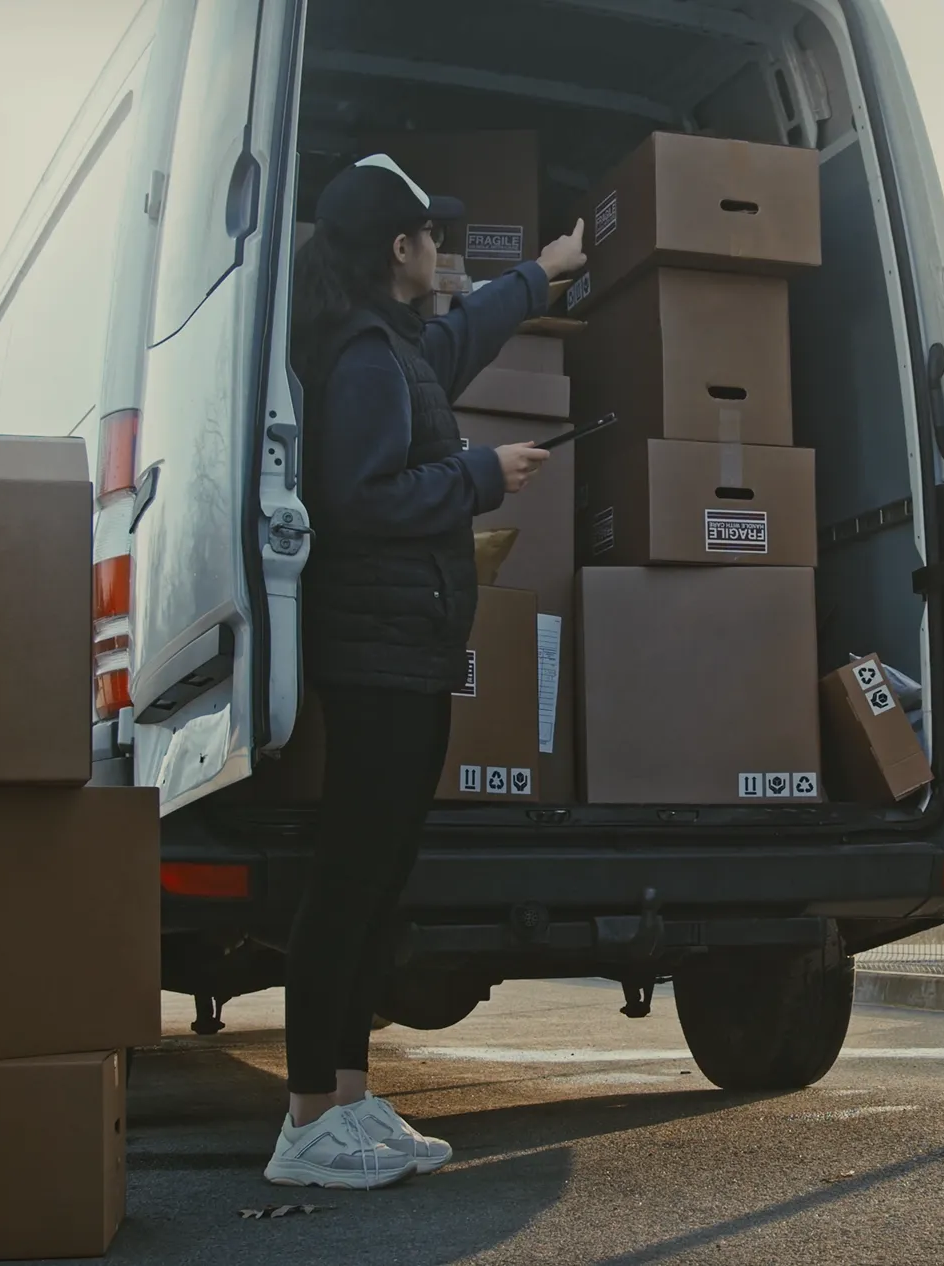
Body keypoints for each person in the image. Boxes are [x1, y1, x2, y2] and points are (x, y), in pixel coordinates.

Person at [266, 154, 587, 1189]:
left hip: (409, 649)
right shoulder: (365, 358)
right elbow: (358, 499)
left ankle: (348, 1102)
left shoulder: (396, 345)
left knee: (378, 882)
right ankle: (305, 1123)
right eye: (432, 235)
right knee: (349, 884)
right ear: (397, 248)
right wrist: (482, 474)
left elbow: (462, 336)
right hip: (379, 657)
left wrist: (543, 272)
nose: (444, 251)